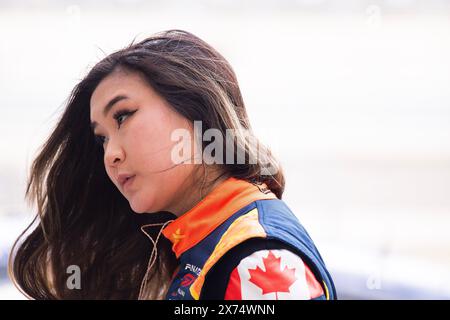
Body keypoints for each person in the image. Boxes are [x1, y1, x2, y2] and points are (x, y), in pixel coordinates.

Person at [9, 29, 336, 300]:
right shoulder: (197, 245)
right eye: (101, 139)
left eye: (122, 116)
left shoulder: (256, 259)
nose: (109, 155)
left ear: (196, 108)